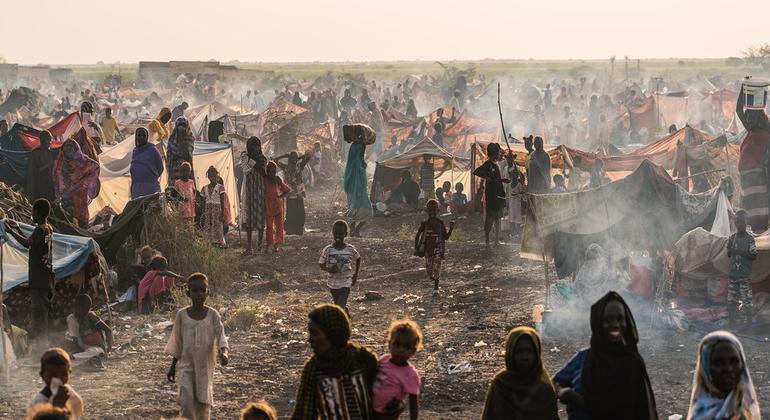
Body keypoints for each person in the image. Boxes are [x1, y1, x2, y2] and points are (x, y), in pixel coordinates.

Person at [553, 292, 658, 420]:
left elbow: (621, 409)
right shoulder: (585, 357)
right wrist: (561, 391)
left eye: (620, 318)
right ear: (598, 323)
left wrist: (576, 399)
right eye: (608, 319)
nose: (615, 324)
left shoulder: (632, 364)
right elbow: (557, 380)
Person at [291, 304, 379, 420]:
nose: (310, 339)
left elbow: (382, 401)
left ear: (333, 334)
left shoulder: (364, 359)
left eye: (315, 333)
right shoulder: (314, 369)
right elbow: (304, 413)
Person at [166, 273, 229, 420]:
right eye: (195, 291)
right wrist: (172, 367)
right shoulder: (182, 315)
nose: (199, 294)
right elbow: (178, 343)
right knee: (186, 403)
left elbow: (221, 337)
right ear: (188, 293)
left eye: (202, 290)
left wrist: (224, 353)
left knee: (203, 405)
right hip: (186, 366)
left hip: (205, 368)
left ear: (208, 292)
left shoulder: (213, 315)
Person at [481, 326, 559, 420]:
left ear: (537, 353)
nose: (524, 357)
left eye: (529, 351)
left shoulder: (544, 389)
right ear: (510, 353)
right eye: (519, 351)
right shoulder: (500, 384)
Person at [5, 199, 54, 341]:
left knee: (38, 311)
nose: (32, 213)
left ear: (37, 212)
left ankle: (39, 343)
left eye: (33, 211)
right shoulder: (47, 228)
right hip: (46, 276)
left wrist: (10, 232)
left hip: (38, 278)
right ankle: (43, 340)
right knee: (43, 310)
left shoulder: (40, 230)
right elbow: (32, 242)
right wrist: (17, 229)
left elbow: (27, 243)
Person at [686, 331, 760, 420]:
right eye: (718, 363)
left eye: (734, 361)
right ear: (705, 369)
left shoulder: (746, 408)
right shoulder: (700, 416)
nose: (728, 369)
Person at [736, 84, 770, 231]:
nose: (748, 119)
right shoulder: (757, 130)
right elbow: (738, 110)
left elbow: (739, 110)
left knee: (758, 209)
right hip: (752, 176)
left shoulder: (760, 131)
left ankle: (760, 236)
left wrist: (744, 89)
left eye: (750, 117)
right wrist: (744, 88)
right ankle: (758, 235)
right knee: (757, 210)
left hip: (756, 175)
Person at [372, 320, 422, 420]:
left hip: (387, 414)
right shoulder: (384, 360)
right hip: (371, 410)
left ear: (413, 351)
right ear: (389, 344)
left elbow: (413, 401)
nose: (401, 350)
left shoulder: (410, 374)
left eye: (406, 347)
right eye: (397, 345)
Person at [27, 348, 84, 420]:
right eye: (52, 375)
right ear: (42, 375)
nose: (58, 379)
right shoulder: (38, 402)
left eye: (63, 375)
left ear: (69, 373)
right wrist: (58, 407)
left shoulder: (72, 396)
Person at [319, 221, 361, 315]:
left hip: (346, 281)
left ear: (346, 234)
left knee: (338, 307)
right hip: (333, 282)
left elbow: (358, 258)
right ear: (332, 233)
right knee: (337, 304)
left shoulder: (350, 249)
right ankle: (345, 310)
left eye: (341, 233)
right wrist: (330, 270)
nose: (338, 235)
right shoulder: (328, 250)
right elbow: (321, 264)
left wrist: (355, 275)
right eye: (335, 233)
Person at [415, 200, 455, 294]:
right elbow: (418, 235)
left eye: (434, 210)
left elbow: (446, 237)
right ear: (427, 212)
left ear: (437, 211)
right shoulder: (425, 224)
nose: (432, 212)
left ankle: (436, 288)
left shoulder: (440, 223)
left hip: (438, 249)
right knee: (429, 270)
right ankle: (433, 278)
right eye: (430, 210)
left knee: (436, 268)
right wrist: (417, 247)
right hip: (428, 250)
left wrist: (451, 228)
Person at [726, 210, 757, 328]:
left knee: (747, 301)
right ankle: (731, 323)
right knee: (731, 301)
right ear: (735, 223)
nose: (740, 224)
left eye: (743, 222)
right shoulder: (732, 238)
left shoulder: (750, 239)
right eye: (738, 222)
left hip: (744, 275)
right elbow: (729, 254)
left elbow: (754, 256)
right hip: (733, 274)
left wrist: (737, 251)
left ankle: (749, 326)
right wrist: (729, 249)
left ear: (746, 223)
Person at [473, 143, 509, 246]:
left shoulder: (495, 164)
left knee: (497, 218)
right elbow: (476, 171)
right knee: (490, 218)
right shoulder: (488, 164)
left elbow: (496, 179)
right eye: (498, 153)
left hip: (497, 194)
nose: (499, 155)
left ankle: (496, 240)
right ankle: (488, 240)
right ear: (494, 153)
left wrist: (503, 180)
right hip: (491, 195)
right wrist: (485, 177)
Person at [241, 137, 268, 255]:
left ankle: (259, 246)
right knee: (250, 218)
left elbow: (264, 172)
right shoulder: (244, 156)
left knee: (260, 217)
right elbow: (246, 170)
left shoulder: (262, 157)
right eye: (253, 146)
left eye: (257, 146)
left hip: (261, 189)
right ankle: (249, 247)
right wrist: (255, 160)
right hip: (249, 190)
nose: (256, 148)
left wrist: (255, 161)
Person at [343, 134, 374, 237]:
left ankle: (354, 230)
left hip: (353, 187)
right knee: (367, 211)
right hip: (357, 188)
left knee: (352, 208)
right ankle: (355, 230)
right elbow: (360, 166)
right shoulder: (358, 156)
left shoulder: (354, 152)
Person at [276, 151, 312, 236]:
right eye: (292, 157)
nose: (294, 159)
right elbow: (274, 161)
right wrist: (284, 155)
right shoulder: (285, 167)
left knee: (300, 211)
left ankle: (299, 229)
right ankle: (291, 229)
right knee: (291, 211)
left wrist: (299, 158)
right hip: (290, 191)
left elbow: (308, 157)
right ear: (289, 159)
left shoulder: (299, 166)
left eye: (295, 157)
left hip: (298, 191)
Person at [264, 161, 291, 253]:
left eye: (273, 171)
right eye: (270, 171)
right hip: (268, 206)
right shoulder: (264, 179)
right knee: (269, 227)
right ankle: (269, 244)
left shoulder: (277, 180)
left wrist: (280, 196)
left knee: (279, 226)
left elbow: (287, 190)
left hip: (278, 205)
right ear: (267, 171)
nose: (271, 173)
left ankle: (277, 244)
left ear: (275, 171)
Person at [130, 127, 164, 200]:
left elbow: (160, 167)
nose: (141, 137)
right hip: (137, 188)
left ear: (147, 137)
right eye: (139, 135)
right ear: (136, 137)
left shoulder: (152, 149)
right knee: (138, 209)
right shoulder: (135, 151)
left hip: (150, 187)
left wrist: (151, 178)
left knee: (151, 208)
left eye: (144, 135)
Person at [26, 130, 55, 202]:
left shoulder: (49, 151)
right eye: (48, 139)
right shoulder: (35, 152)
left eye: (50, 139)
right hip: (39, 186)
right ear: (42, 140)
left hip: (50, 185)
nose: (50, 141)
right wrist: (48, 165)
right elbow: (32, 172)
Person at [201, 166, 226, 247]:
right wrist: (203, 213)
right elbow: (203, 203)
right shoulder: (204, 188)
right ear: (208, 177)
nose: (212, 178)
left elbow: (222, 201)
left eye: (214, 176)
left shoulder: (220, 187)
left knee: (218, 226)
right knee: (208, 226)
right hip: (208, 211)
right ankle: (209, 243)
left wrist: (222, 213)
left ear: (217, 176)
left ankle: (219, 243)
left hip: (217, 210)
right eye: (211, 176)